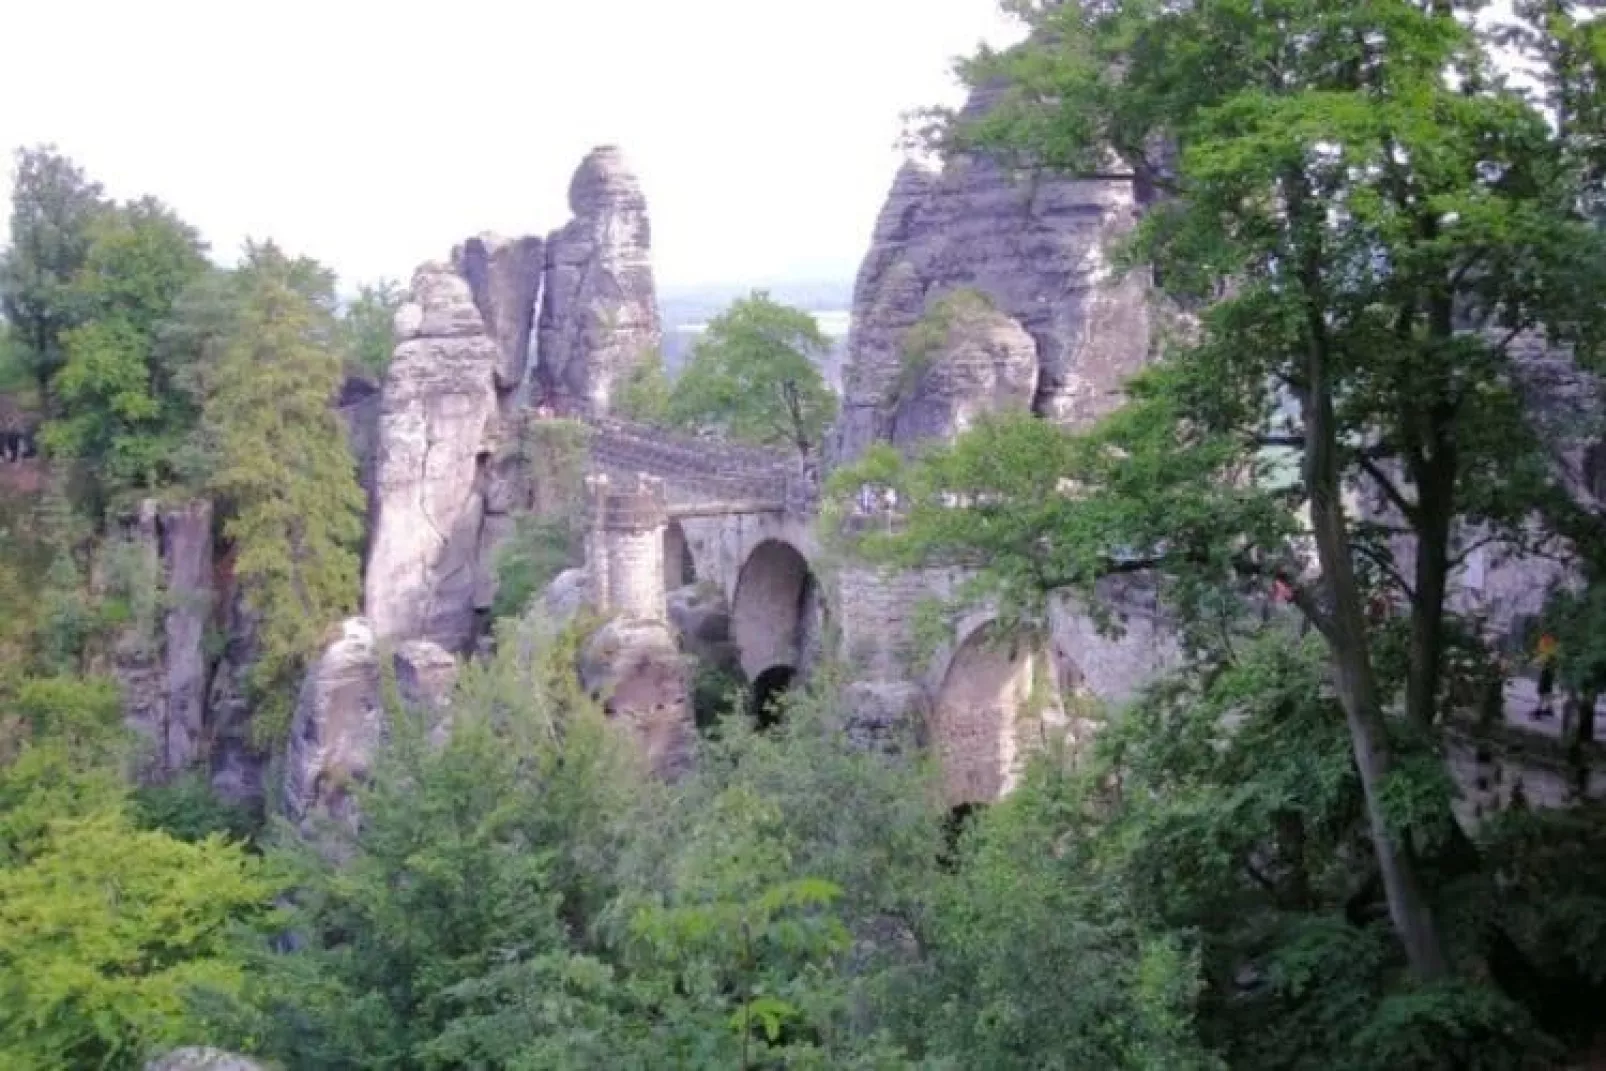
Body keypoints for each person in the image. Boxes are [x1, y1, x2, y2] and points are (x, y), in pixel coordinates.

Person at [1535, 631, 1559, 720]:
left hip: (1547, 669)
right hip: (1549, 669)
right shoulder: (1550, 643)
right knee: (1547, 690)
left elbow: (1546, 656)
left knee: (1542, 690)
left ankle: (1539, 710)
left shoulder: (1549, 643)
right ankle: (1549, 708)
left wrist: (1538, 661)